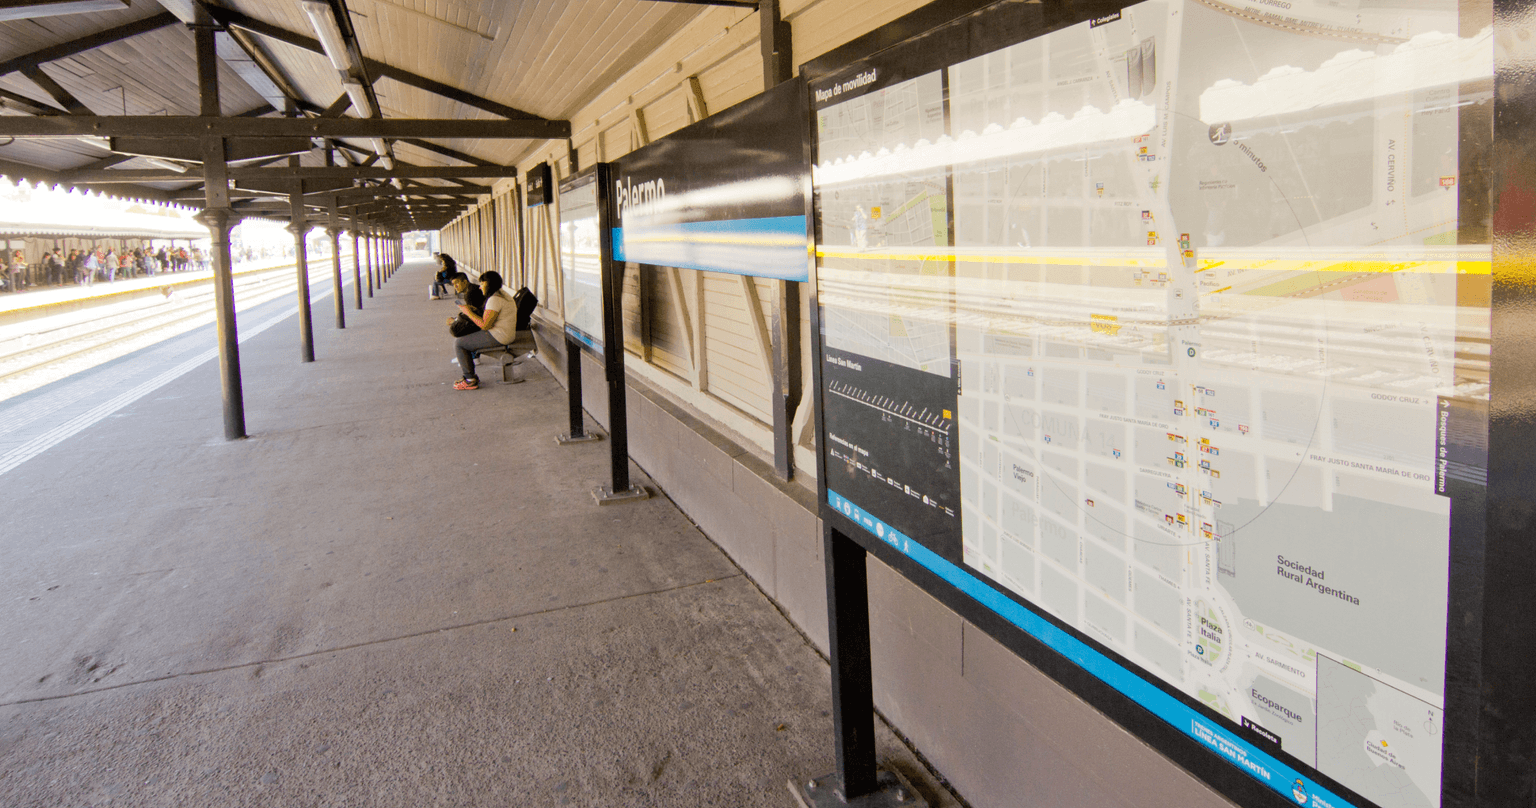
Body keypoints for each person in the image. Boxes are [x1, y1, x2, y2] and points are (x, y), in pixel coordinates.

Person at [450, 271, 517, 390]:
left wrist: (468, 313)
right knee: (465, 338)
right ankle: (470, 373)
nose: (480, 287)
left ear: (489, 284)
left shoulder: (495, 299)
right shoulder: (502, 294)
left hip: (499, 336)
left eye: (482, 284)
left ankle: (470, 380)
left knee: (459, 343)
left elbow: (485, 325)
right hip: (503, 332)